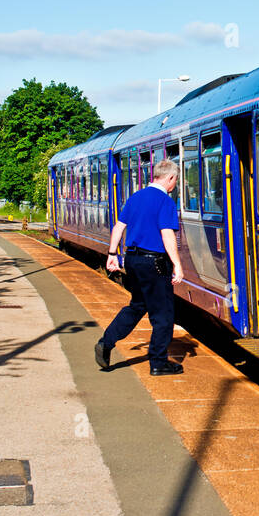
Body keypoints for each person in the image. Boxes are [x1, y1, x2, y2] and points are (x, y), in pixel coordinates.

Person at [95, 158, 185, 376]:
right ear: (171, 178)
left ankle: (106, 342)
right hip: (154, 262)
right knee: (163, 314)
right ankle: (158, 362)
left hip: (132, 260)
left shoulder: (135, 197)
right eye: (175, 181)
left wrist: (112, 254)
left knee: (137, 306)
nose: (174, 186)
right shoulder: (165, 201)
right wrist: (177, 265)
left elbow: (119, 226)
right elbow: (167, 234)